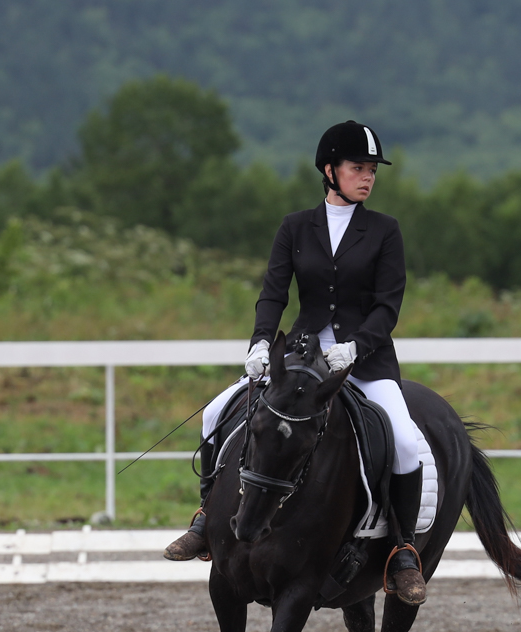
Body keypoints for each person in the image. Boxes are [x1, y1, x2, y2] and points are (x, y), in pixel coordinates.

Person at [164, 120, 427, 606]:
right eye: (357, 168)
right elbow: (273, 294)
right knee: (214, 414)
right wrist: (261, 344)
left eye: (372, 170)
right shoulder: (294, 227)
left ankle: (402, 551)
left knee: (407, 443)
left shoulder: (385, 231)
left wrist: (356, 346)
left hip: (361, 360)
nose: (367, 177)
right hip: (299, 354)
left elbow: (388, 305)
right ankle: (205, 519)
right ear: (329, 171)